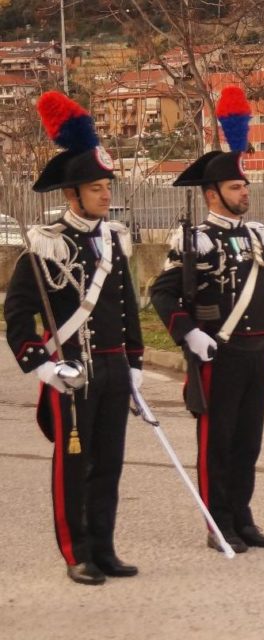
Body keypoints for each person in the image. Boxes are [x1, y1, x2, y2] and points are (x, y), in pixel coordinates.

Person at [4, 92, 144, 585]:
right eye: (95, 187)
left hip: (110, 369)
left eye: (107, 185)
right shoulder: (45, 243)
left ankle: (104, 548)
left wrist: (136, 363)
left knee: (109, 465)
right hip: (71, 373)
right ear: (72, 194)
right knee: (74, 465)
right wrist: (44, 365)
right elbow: (18, 315)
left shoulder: (114, 240)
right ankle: (76, 551)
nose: (105, 194)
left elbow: (126, 310)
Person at [150, 86, 264, 552]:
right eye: (234, 187)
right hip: (217, 354)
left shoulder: (257, 237)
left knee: (248, 444)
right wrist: (189, 335)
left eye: (244, 185)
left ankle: (242, 516)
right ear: (212, 194)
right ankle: (216, 521)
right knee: (217, 444)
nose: (244, 192)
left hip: (252, 354)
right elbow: (161, 293)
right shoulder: (196, 240)